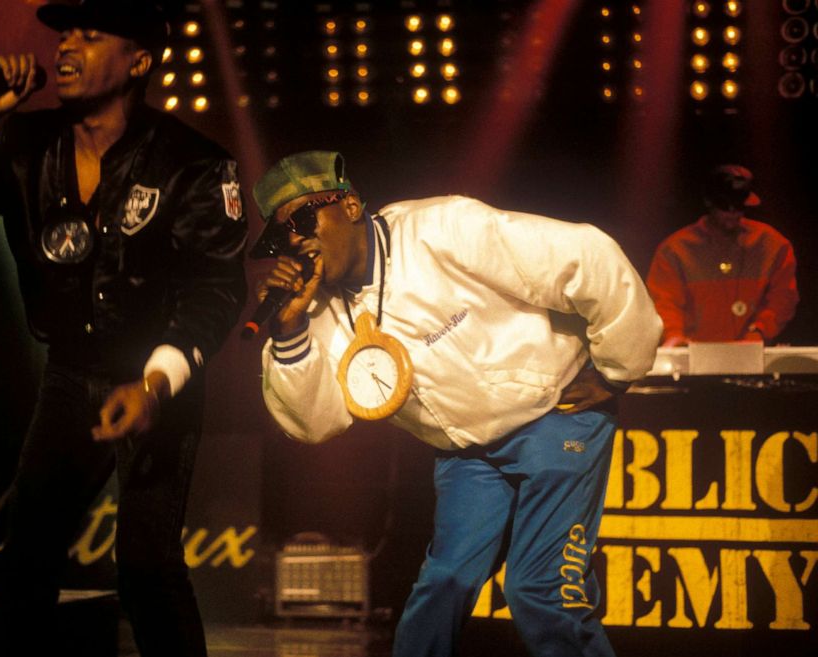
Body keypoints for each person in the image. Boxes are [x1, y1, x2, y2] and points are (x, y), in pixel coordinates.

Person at [249, 151, 662, 657]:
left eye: (303, 218)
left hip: (555, 417)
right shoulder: (317, 308)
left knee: (538, 591)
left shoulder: (440, 229)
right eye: (280, 235)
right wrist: (289, 331)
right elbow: (313, 424)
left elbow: (586, 255)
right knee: (441, 586)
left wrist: (618, 369)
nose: (296, 239)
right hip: (469, 452)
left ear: (351, 205)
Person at [0, 1, 247, 655]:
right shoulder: (23, 145)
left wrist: (157, 384)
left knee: (147, 567)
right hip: (70, 373)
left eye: (91, 33)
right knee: (24, 561)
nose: (67, 46)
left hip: (155, 378)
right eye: (64, 33)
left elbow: (214, 289)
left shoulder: (191, 163)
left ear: (139, 59)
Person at [646, 164, 798, 346]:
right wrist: (673, 334)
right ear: (709, 202)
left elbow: (783, 298)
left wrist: (759, 330)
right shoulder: (675, 250)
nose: (733, 212)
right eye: (725, 205)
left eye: (739, 205)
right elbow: (664, 301)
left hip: (752, 355)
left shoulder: (773, 245)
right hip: (695, 357)